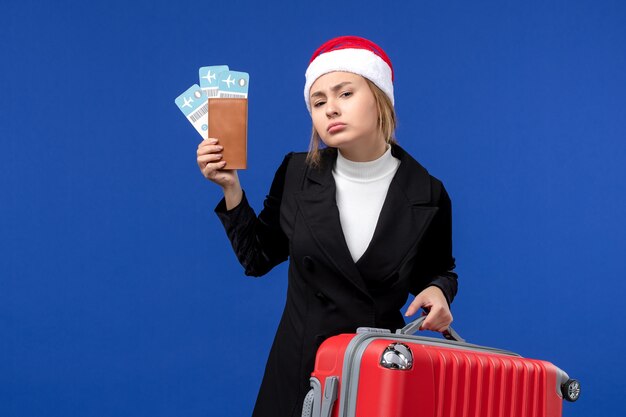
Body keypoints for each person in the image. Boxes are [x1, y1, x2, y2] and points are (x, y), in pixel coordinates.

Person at [196, 36, 458, 417]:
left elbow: (438, 271)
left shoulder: (428, 192)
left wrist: (438, 291)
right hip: (299, 374)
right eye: (318, 102)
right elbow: (257, 258)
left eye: (345, 94)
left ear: (381, 97)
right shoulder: (296, 173)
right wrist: (231, 187)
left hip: (375, 376)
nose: (330, 109)